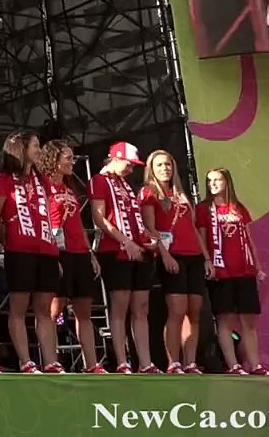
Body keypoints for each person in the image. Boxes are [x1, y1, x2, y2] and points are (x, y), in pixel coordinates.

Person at [0, 131, 62, 373]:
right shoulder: (4, 179)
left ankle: (51, 361)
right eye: (35, 145)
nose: (39, 149)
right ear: (21, 148)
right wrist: (9, 240)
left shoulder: (41, 179)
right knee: (19, 307)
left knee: (44, 308)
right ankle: (26, 361)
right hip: (19, 251)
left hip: (46, 249)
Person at [89, 141, 156, 374]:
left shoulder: (125, 184)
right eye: (129, 164)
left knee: (142, 306)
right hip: (114, 250)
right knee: (120, 306)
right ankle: (122, 361)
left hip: (137, 250)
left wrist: (146, 240)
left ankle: (145, 362)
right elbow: (100, 219)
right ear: (116, 158)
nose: (131, 169)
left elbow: (134, 218)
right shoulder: (99, 181)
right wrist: (125, 241)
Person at [141, 149, 209, 375]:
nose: (164, 169)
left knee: (195, 311)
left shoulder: (181, 194)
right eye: (159, 165)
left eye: (168, 164)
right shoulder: (149, 192)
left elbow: (193, 228)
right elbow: (150, 229)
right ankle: (174, 362)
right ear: (151, 168)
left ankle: (190, 362)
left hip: (195, 257)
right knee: (177, 310)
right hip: (173, 255)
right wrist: (165, 254)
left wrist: (206, 257)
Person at [40, 139, 104, 373]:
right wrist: (51, 255)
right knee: (54, 310)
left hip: (79, 252)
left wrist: (91, 254)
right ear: (54, 160)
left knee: (84, 310)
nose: (72, 162)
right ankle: (51, 360)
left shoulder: (69, 188)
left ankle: (92, 364)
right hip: (58, 252)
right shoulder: (44, 186)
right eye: (68, 158)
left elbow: (77, 224)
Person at [197, 168, 269, 375]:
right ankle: (233, 365)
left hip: (244, 270)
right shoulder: (203, 208)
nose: (213, 184)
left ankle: (255, 365)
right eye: (209, 181)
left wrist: (257, 266)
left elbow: (248, 238)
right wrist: (207, 260)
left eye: (217, 180)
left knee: (249, 320)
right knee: (225, 319)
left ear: (227, 182)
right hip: (221, 271)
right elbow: (201, 237)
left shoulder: (238, 207)